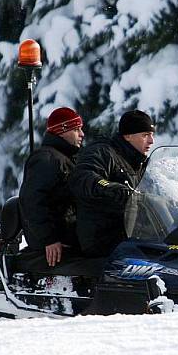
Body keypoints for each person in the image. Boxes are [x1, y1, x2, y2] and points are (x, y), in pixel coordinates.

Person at [69, 109, 155, 257]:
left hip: (130, 236)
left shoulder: (138, 162)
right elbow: (84, 176)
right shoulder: (103, 152)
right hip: (104, 239)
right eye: (145, 135)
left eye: (152, 135)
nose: (151, 141)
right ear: (127, 136)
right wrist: (110, 187)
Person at [18, 107, 84, 269]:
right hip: (56, 240)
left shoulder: (66, 159)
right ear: (62, 131)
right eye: (76, 129)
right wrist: (49, 238)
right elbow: (33, 201)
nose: (82, 134)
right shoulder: (47, 159)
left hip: (68, 235)